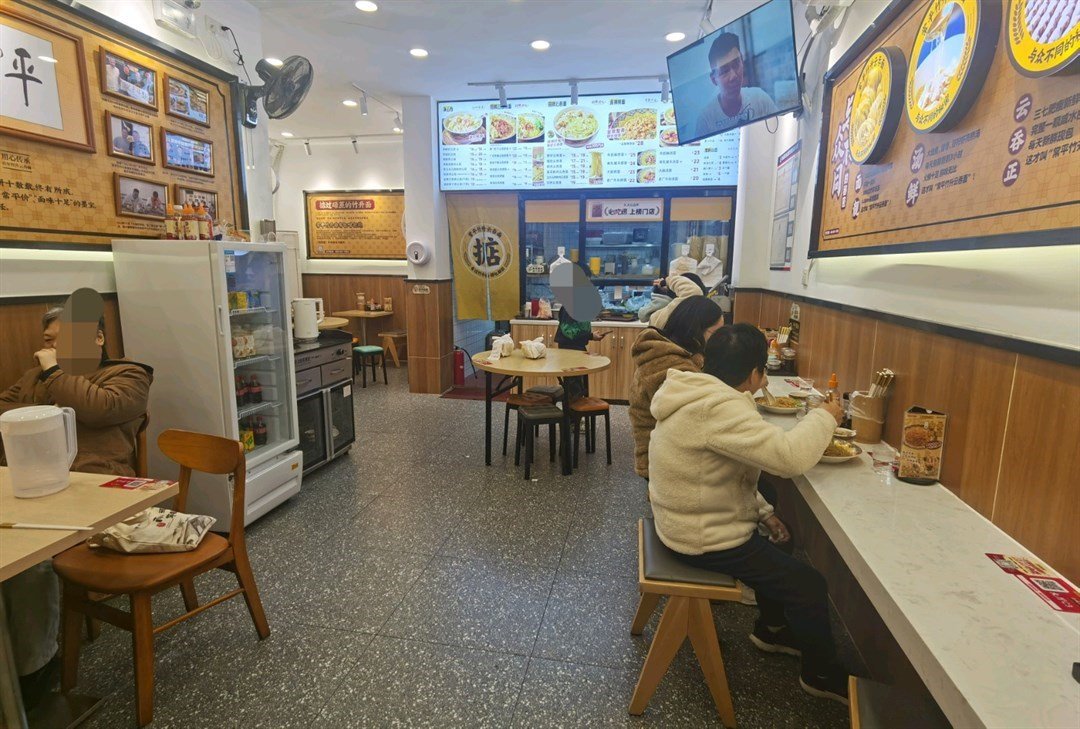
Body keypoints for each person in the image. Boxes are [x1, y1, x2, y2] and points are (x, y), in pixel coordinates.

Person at [648, 324, 849, 704]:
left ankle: (771, 628)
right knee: (809, 584)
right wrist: (826, 416)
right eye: (763, 373)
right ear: (754, 373)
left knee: (779, 531)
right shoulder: (720, 408)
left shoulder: (692, 390)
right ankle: (820, 675)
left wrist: (763, 512)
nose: (764, 381)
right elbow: (790, 458)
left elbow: (721, 471)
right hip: (699, 536)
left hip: (678, 517)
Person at [0, 304, 153, 709]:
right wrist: (40, 405)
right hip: (28, 488)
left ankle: (35, 676)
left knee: (30, 564)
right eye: (49, 342)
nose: (53, 349)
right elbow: (4, 411)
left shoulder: (128, 375)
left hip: (95, 493)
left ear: (98, 340)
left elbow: (99, 408)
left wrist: (54, 374)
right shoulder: (32, 378)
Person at [630, 296, 725, 479]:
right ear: (696, 330)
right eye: (717, 333)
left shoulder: (675, 351)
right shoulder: (671, 366)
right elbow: (694, 416)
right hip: (663, 459)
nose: (720, 340)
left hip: (664, 451)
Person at [696, 32, 778, 138]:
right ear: (714, 79)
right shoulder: (705, 120)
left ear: (742, 62)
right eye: (724, 71)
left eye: (736, 64)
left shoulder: (759, 98)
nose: (733, 76)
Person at [553, 305, 607, 402]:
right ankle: (571, 410)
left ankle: (576, 408)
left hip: (578, 347)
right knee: (573, 384)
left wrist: (591, 336)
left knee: (579, 383)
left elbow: (580, 328)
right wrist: (590, 336)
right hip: (569, 350)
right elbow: (570, 332)